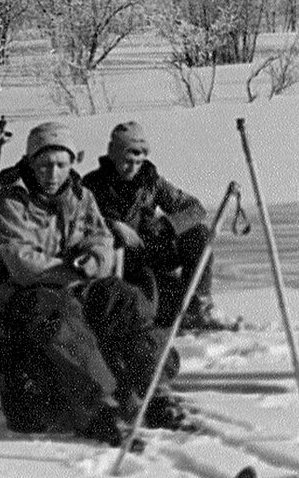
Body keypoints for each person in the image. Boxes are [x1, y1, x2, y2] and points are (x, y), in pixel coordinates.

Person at [0, 121, 184, 445]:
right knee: (61, 315)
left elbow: (101, 237)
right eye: (45, 164)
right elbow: (22, 263)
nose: (53, 173)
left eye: (62, 164)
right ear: (31, 162)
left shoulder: (80, 196)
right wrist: (73, 272)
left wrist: (95, 260)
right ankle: (96, 407)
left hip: (72, 283)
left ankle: (152, 390)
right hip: (19, 292)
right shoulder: (9, 204)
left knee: (122, 298)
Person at [82, 121, 218, 329]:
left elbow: (195, 209)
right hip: (114, 260)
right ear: (113, 154)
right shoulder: (92, 185)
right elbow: (81, 221)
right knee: (151, 311)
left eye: (138, 161)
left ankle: (198, 304)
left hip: (149, 250)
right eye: (127, 160)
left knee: (199, 235)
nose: (133, 168)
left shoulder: (151, 181)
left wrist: (167, 224)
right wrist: (113, 226)